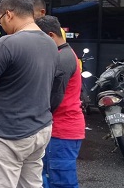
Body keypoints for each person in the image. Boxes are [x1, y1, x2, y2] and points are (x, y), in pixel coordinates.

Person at [0, 0, 58, 188]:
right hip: (40, 128)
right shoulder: (50, 42)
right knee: (31, 184)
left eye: (0, 19)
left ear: (9, 14)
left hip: (9, 132)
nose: (0, 24)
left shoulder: (7, 43)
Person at [36, 15, 85, 188]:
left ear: (50, 36)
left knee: (61, 182)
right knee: (46, 176)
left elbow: (53, 98)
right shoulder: (62, 54)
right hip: (59, 128)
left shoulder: (63, 59)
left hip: (63, 130)